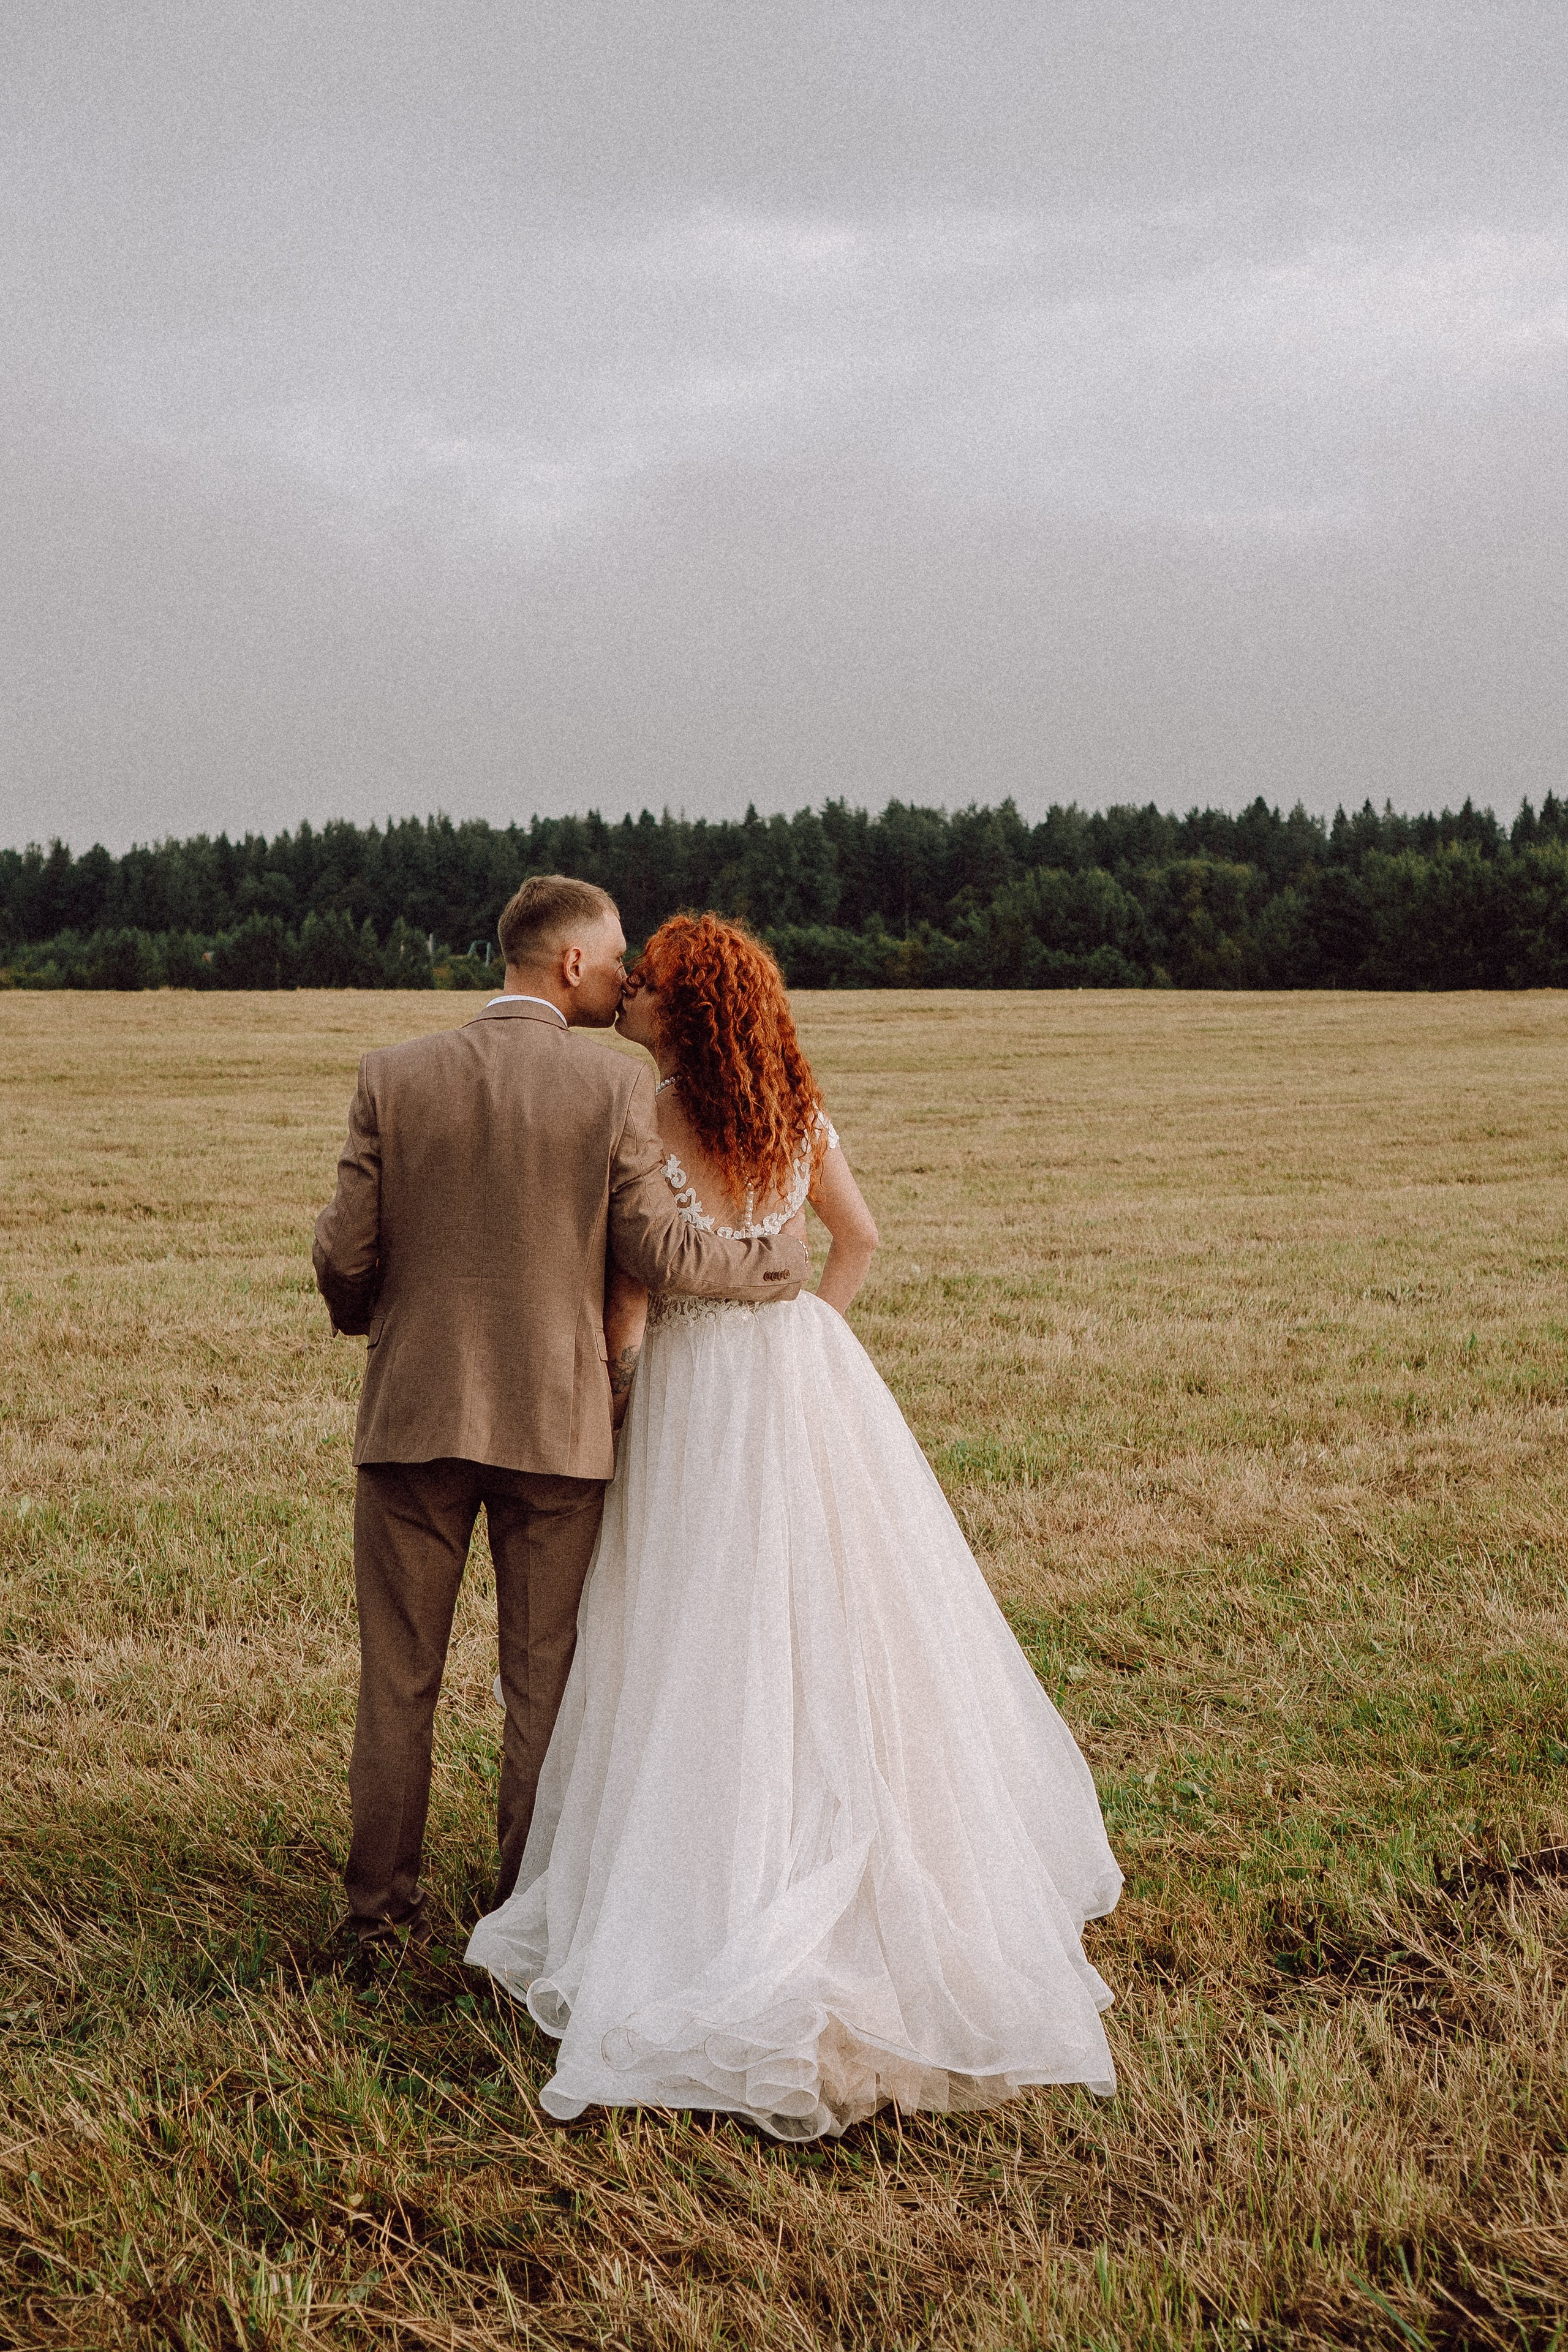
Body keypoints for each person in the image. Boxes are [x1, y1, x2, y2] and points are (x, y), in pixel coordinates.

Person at [465, 912, 1123, 2140]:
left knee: (690, 1622)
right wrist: (810, 1329)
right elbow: (860, 1239)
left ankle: (708, 1868)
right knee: (830, 1611)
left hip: (694, 1393)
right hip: (792, 1378)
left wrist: (617, 1389)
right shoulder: (792, 1111)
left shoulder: (641, 1118)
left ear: (685, 1010)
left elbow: (627, 1302)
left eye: (651, 986)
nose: (635, 997)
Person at [312, 876, 809, 1947]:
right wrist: (778, 1258)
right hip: (558, 1432)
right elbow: (661, 1252)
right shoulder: (613, 1091)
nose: (630, 974)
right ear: (571, 964)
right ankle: (524, 1915)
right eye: (619, 954)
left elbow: (344, 1257)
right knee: (542, 1689)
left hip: (412, 1419)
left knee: (397, 1682)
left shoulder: (393, 1077)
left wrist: (381, 1321)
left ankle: (375, 1924)